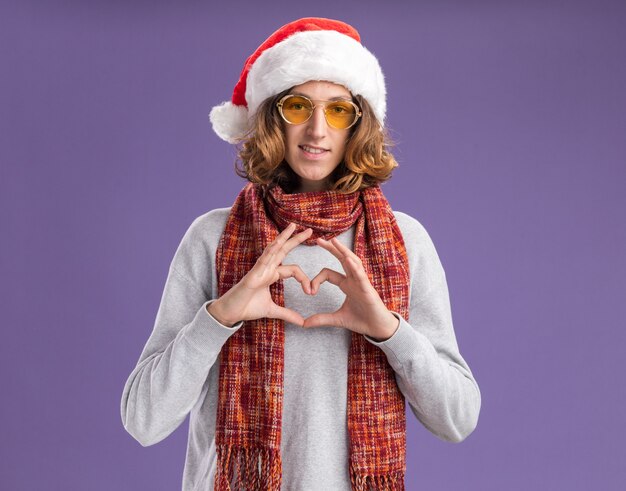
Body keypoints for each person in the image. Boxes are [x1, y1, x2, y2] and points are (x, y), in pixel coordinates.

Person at [120, 17, 481, 491]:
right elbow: (144, 420)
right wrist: (221, 316)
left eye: (337, 110)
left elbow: (456, 419)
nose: (316, 129)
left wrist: (389, 331)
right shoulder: (212, 238)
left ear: (359, 123)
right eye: (297, 106)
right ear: (273, 116)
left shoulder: (405, 243)